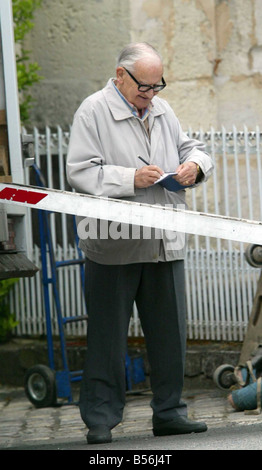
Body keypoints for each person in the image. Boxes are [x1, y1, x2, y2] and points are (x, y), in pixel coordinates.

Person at [66, 42, 214, 444]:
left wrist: (195, 166)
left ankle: (169, 412)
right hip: (113, 246)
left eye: (156, 86)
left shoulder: (162, 110)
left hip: (164, 241)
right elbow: (80, 172)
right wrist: (130, 178)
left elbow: (193, 148)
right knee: (107, 340)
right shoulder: (93, 110)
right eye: (144, 86)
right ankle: (100, 419)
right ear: (120, 76)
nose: (151, 94)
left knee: (170, 337)